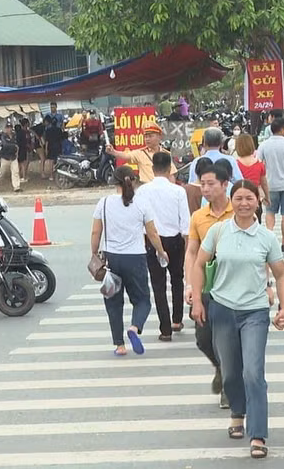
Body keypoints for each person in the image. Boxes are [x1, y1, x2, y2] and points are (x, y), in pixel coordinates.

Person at [189, 179, 284, 459]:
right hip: (221, 308)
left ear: (258, 201)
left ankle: (258, 434)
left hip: (255, 311)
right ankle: (237, 410)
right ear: (232, 201)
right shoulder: (219, 231)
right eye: (239, 198)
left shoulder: (267, 237)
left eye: (250, 198)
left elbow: (281, 274)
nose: (244, 203)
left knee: (253, 373)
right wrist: (197, 300)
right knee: (231, 371)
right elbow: (198, 264)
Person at [90, 165, 168, 356]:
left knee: (113, 302)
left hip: (111, 259)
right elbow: (152, 233)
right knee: (142, 300)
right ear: (133, 181)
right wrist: (161, 251)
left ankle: (119, 345)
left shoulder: (104, 203)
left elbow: (95, 232)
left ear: (114, 181)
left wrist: (94, 254)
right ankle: (134, 327)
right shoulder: (142, 204)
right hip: (136, 259)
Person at [184, 162, 234, 408]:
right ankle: (220, 367)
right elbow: (191, 253)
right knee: (203, 338)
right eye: (202, 184)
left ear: (225, 184)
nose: (205, 189)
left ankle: (228, 383)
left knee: (229, 338)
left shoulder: (240, 210)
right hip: (206, 286)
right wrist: (189, 286)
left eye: (211, 184)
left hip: (234, 286)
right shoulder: (198, 217)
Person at [136, 152, 190, 340]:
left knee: (158, 285)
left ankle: (165, 329)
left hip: (152, 241)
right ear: (169, 169)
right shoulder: (178, 191)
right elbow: (185, 222)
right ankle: (177, 319)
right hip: (175, 240)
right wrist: (187, 243)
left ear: (152, 169)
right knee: (177, 278)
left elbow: (140, 219)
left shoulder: (142, 191)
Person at [257, 119, 284, 252]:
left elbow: (259, 163)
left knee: (270, 213)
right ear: (283, 129)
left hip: (270, 184)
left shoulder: (264, 145)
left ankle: (270, 241)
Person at [106, 123, 176, 183]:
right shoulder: (140, 153)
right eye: (145, 137)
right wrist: (113, 152)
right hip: (147, 190)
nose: (147, 139)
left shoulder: (166, 154)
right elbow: (126, 156)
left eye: (150, 136)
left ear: (159, 137)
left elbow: (171, 175)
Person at [236, 134, 269, 223]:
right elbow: (264, 183)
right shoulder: (259, 164)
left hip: (239, 199)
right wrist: (267, 197)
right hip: (255, 198)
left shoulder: (235, 164)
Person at [0, 124, 21, 193]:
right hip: (5, 157)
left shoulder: (14, 136)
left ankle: (16, 187)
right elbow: (5, 145)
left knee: (15, 171)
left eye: (10, 127)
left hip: (13, 156)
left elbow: (18, 145)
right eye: (7, 128)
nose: (9, 129)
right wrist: (14, 146)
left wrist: (16, 149)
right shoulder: (3, 136)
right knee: (2, 172)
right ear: (5, 128)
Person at [43, 115, 62, 181]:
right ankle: (59, 176)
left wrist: (46, 149)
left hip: (50, 147)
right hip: (58, 146)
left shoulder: (48, 130)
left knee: (51, 162)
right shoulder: (59, 130)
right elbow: (61, 140)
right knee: (59, 161)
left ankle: (51, 176)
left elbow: (47, 141)